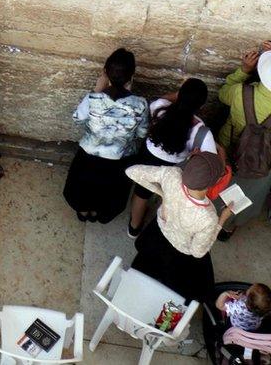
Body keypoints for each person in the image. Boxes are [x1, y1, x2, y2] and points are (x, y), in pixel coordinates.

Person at [127, 153, 236, 304]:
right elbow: (197, 252)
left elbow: (132, 171)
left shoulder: (172, 174)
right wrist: (222, 219)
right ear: (215, 182)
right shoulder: (208, 216)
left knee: (148, 265)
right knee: (177, 287)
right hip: (179, 254)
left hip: (158, 233)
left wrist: (162, 193)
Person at [62, 48, 149, 223]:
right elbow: (142, 133)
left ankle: (84, 211)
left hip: (88, 157)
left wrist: (96, 90)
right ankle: (100, 215)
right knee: (109, 194)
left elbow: (77, 118)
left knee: (84, 189)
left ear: (105, 74)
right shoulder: (140, 104)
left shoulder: (93, 99)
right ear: (131, 77)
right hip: (119, 160)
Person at [126, 78, 217, 238]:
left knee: (141, 193)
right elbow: (211, 162)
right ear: (201, 106)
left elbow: (164, 98)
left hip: (149, 157)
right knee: (169, 198)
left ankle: (134, 227)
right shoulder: (202, 132)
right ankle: (162, 229)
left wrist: (179, 94)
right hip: (176, 168)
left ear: (179, 95)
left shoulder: (160, 108)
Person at [214, 44, 271, 240]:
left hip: (229, 151)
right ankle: (228, 229)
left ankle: (215, 219)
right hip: (263, 162)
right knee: (246, 196)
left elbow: (223, 94)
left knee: (221, 187)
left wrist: (244, 70)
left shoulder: (240, 92)